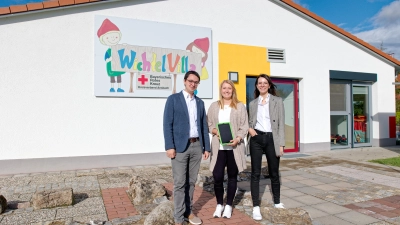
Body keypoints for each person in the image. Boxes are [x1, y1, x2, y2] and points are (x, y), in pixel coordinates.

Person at [163, 70, 211, 225]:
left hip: (197, 146)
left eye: (196, 82)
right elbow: (167, 124)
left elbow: (203, 126)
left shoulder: (200, 102)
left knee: (191, 182)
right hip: (179, 147)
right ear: (184, 81)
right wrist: (169, 146)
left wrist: (206, 147)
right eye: (191, 81)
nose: (193, 83)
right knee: (179, 183)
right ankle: (178, 218)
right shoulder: (174, 99)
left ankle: (188, 212)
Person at [207, 80, 249, 219]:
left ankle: (229, 205)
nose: (226, 90)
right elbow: (209, 124)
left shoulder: (239, 106)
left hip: (234, 148)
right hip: (218, 148)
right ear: (221, 90)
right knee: (217, 176)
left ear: (233, 90)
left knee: (232, 177)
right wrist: (215, 131)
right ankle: (219, 204)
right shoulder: (214, 106)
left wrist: (238, 138)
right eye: (224, 88)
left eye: (229, 88)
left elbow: (244, 125)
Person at [248, 74, 285, 221]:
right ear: (257, 86)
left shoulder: (277, 101)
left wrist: (281, 144)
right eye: (259, 83)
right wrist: (250, 129)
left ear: (269, 85)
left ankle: (277, 201)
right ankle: (256, 206)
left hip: (272, 139)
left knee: (274, 172)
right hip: (256, 138)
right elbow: (250, 121)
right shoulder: (252, 103)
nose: (262, 85)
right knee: (255, 173)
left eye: (265, 83)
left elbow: (281, 123)